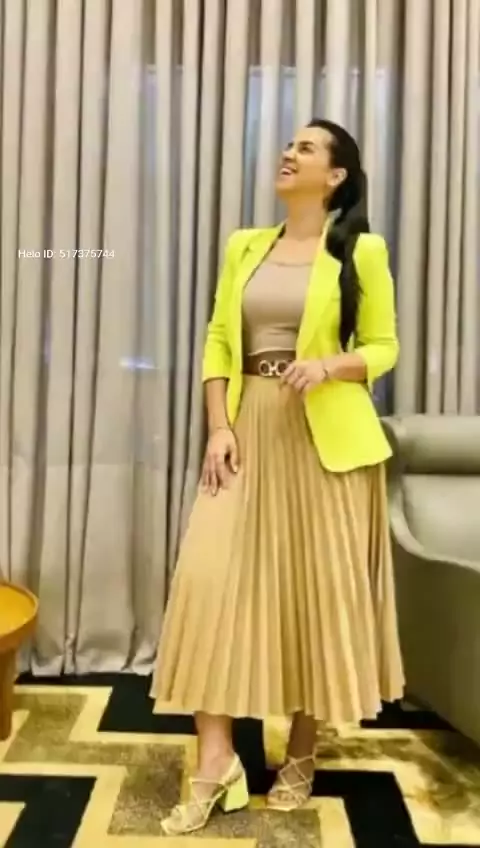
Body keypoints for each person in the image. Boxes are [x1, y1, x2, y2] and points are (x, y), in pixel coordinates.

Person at [151, 118, 405, 836]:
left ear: (336, 176)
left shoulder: (360, 250)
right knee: (208, 586)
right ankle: (217, 763)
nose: (289, 153)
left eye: (307, 148)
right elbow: (219, 339)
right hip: (249, 428)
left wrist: (329, 365)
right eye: (289, 144)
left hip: (325, 439)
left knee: (311, 595)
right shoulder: (245, 245)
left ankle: (301, 750)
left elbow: (384, 346)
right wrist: (219, 426)